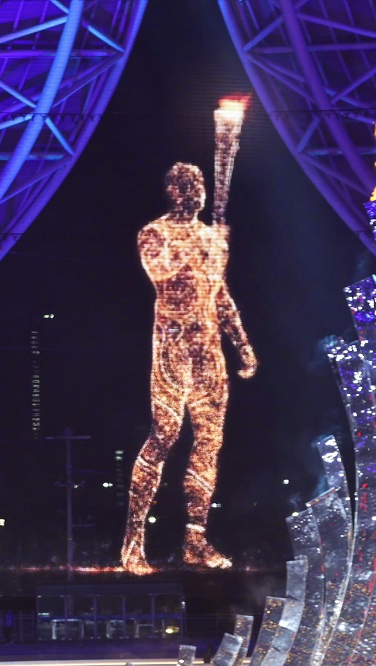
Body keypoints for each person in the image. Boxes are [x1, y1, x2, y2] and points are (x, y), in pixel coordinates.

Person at [121, 163, 257, 575]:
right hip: (173, 350)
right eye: (187, 186)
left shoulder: (212, 239)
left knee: (209, 443)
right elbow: (163, 275)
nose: (196, 192)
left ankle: (195, 540)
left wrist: (242, 345)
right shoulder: (154, 233)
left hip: (209, 353)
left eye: (199, 185)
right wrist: (206, 250)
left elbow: (221, 296)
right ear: (173, 192)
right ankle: (133, 544)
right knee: (164, 435)